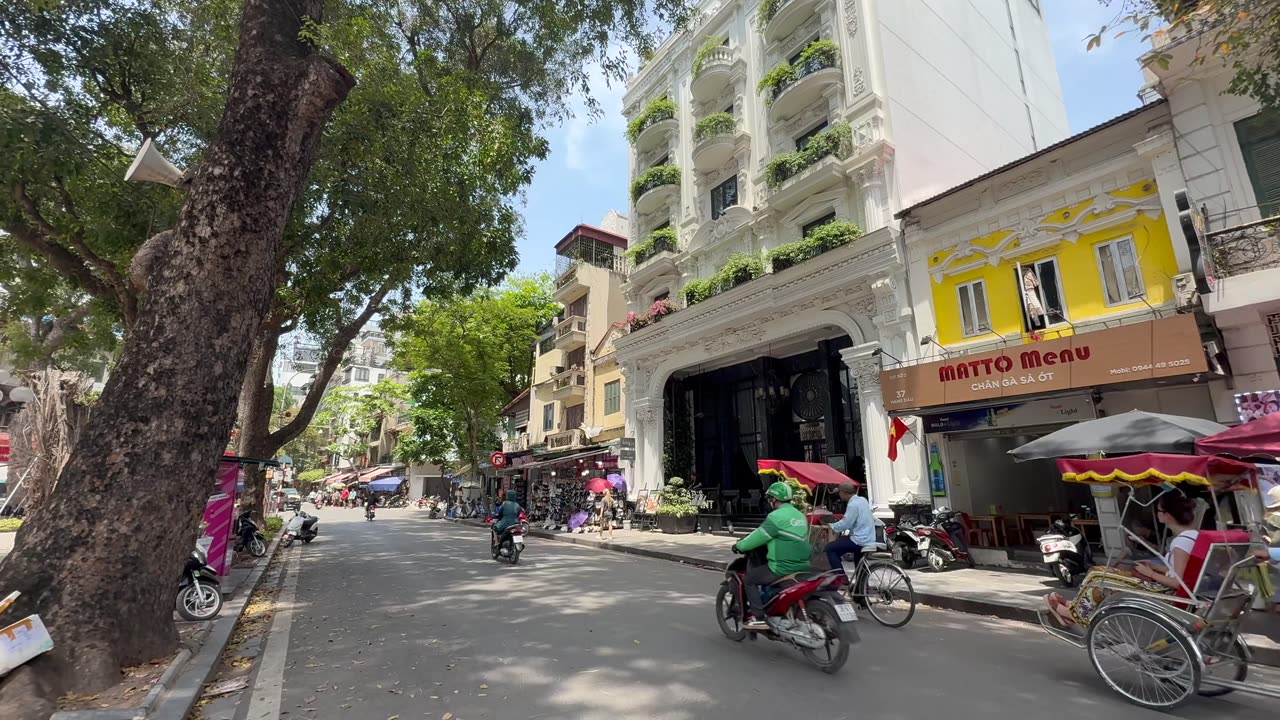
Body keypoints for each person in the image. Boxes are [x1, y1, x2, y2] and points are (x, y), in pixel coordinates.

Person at [1045, 494, 1200, 629]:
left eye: (1158, 510)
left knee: (1098, 577)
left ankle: (1073, 615)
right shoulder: (1192, 536)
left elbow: (1179, 583)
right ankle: (1076, 607)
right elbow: (1180, 572)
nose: (1157, 514)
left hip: (1166, 592)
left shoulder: (1180, 543)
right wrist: (1156, 568)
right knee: (1096, 571)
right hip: (1167, 587)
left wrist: (1151, 573)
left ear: (1167, 515)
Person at [732, 482, 812, 631]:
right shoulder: (800, 515)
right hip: (804, 565)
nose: (770, 502)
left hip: (781, 567)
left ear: (775, 499)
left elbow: (757, 537)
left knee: (749, 580)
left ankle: (758, 617)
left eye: (771, 499)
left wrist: (739, 545)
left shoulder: (775, 517)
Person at [821, 481, 876, 572]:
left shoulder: (852, 505)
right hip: (869, 537)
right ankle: (862, 584)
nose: (839, 495)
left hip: (859, 539)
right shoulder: (863, 500)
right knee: (858, 560)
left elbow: (846, 523)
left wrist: (831, 526)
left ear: (845, 493)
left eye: (840, 492)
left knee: (830, 548)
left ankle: (841, 580)